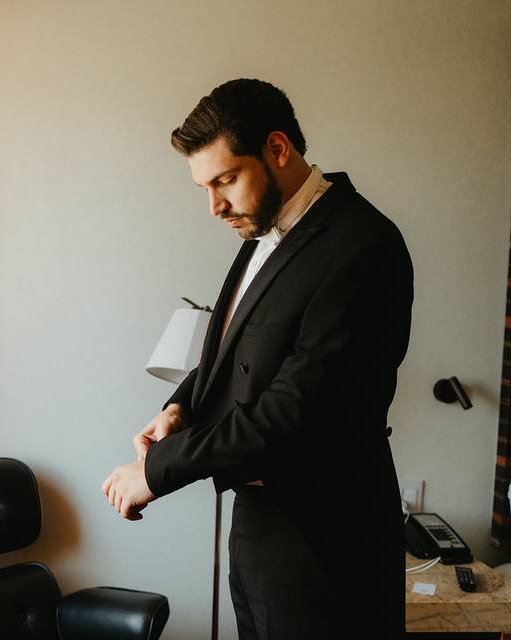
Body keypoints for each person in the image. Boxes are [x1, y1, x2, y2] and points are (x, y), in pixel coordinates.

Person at [101, 78, 413, 639]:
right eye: (205, 187)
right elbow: (239, 354)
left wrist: (156, 471)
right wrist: (181, 408)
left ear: (277, 149)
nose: (215, 206)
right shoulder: (261, 234)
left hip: (325, 540)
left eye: (225, 180)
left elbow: (294, 410)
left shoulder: (365, 246)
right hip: (258, 527)